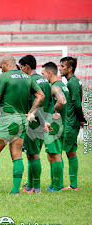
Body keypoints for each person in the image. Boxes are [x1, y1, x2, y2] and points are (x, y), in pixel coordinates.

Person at [0, 54, 45, 194]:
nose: (1, 70)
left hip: (8, 120)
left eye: (1, 67)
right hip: (22, 120)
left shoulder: (4, 76)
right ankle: (15, 190)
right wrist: (32, 111)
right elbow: (41, 96)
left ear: (5, 63)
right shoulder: (27, 77)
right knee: (17, 154)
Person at [19, 55, 52, 194]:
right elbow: (50, 102)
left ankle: (36, 188)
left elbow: (35, 103)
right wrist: (47, 120)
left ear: (27, 66)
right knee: (33, 154)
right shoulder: (44, 80)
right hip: (43, 120)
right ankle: (30, 186)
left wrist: (33, 115)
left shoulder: (30, 81)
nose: (20, 71)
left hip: (33, 121)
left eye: (21, 68)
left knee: (33, 155)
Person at [41, 62, 69, 192]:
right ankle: (55, 184)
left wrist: (52, 113)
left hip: (55, 126)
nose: (42, 77)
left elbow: (62, 101)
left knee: (55, 155)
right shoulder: (63, 85)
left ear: (50, 73)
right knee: (54, 155)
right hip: (62, 124)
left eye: (43, 74)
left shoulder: (55, 87)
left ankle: (57, 186)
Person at [59, 57, 85, 190]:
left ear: (70, 68)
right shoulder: (74, 81)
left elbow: (76, 103)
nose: (60, 68)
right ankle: (73, 185)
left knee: (58, 152)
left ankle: (59, 184)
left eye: (63, 66)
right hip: (72, 122)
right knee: (70, 152)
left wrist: (81, 119)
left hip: (70, 122)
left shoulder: (72, 83)